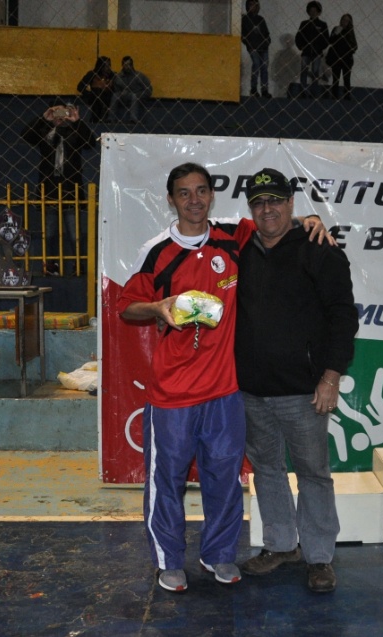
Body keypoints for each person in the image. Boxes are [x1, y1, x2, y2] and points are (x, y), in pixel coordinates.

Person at [117, 162, 332, 594]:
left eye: (201, 191)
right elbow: (127, 306)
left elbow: (278, 221)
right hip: (172, 396)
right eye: (184, 193)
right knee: (167, 482)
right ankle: (168, 561)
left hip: (225, 392)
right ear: (171, 199)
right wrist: (158, 308)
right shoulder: (158, 251)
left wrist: (311, 220)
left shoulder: (234, 237)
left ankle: (217, 555)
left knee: (225, 479)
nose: (194, 200)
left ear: (212, 195)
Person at [236, 167, 358, 593]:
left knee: (313, 473)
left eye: (275, 200)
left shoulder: (319, 249)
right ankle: (281, 544)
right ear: (251, 208)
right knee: (266, 470)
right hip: (251, 388)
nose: (267, 209)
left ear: (291, 203)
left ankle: (320, 557)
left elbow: (344, 316)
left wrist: (330, 376)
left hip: (304, 390)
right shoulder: (240, 250)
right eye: (259, 202)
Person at [20, 102, 96, 259]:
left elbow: (90, 143)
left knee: (74, 232)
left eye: (63, 112)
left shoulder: (74, 132)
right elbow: (26, 135)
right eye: (57, 112)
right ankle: (51, 264)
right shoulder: (45, 132)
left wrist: (77, 121)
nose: (61, 116)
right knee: (49, 232)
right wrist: (44, 119)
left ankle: (79, 265)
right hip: (49, 187)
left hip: (70, 187)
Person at [295, 1, 329, 97]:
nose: (313, 13)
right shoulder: (304, 23)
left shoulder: (322, 25)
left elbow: (326, 39)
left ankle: (314, 92)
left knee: (315, 72)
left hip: (317, 53)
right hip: (306, 52)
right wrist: (301, 46)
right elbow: (298, 36)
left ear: (318, 12)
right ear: (308, 12)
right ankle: (303, 92)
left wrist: (319, 48)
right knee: (304, 71)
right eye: (311, 11)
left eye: (315, 11)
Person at [242, 0, 272, 98]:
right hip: (253, 47)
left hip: (263, 47)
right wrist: (249, 44)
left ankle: (264, 90)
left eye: (255, 5)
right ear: (248, 6)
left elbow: (266, 33)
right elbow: (243, 35)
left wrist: (267, 42)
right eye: (251, 5)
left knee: (264, 67)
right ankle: (254, 89)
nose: (253, 6)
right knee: (256, 64)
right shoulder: (245, 19)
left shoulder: (261, 19)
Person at [109, 56, 152, 124]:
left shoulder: (140, 76)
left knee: (134, 96)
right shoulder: (119, 77)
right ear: (122, 65)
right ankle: (111, 119)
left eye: (129, 65)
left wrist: (139, 95)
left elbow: (148, 90)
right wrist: (121, 93)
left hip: (138, 96)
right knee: (115, 95)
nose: (128, 67)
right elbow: (116, 89)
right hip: (125, 96)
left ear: (132, 65)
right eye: (126, 65)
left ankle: (133, 119)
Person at [326, 14, 357, 100]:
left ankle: (347, 95)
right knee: (335, 78)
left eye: (347, 20)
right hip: (336, 58)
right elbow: (330, 41)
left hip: (346, 59)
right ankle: (334, 95)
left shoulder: (350, 32)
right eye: (343, 20)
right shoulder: (336, 29)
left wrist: (348, 51)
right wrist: (336, 33)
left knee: (346, 79)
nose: (344, 22)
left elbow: (355, 46)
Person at [76, 56, 113, 123]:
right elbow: (80, 87)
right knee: (97, 96)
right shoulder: (92, 74)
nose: (108, 68)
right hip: (95, 97)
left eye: (109, 65)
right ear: (101, 66)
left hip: (108, 97)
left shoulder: (112, 75)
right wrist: (89, 94)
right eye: (106, 66)